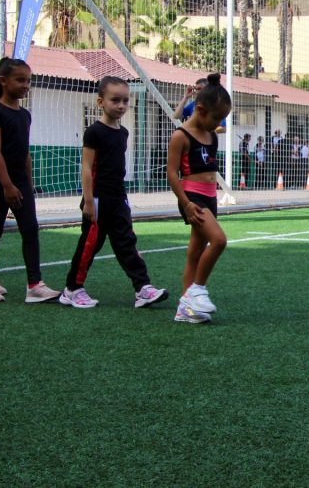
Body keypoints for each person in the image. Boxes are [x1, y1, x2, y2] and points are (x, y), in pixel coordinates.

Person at [62, 77, 168, 309]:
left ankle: (142, 288)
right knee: (90, 244)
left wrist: (123, 199)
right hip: (98, 200)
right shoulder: (94, 132)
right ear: (101, 102)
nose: (121, 105)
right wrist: (89, 201)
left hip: (119, 198)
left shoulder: (123, 132)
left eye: (125, 100)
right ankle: (72, 289)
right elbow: (87, 168)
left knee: (126, 242)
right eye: (115, 100)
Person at [0, 57, 61, 304]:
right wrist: (7, 185)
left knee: (30, 229)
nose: (26, 85)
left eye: (28, 80)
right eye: (20, 80)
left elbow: (24, 151)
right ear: (3, 81)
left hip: (20, 181)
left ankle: (34, 285)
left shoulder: (24, 114)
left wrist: (27, 183)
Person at [166, 73, 232, 324]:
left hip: (210, 197)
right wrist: (186, 203)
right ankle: (197, 290)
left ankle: (185, 308)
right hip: (192, 198)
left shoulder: (212, 135)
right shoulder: (181, 136)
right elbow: (172, 173)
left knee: (195, 251)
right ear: (200, 109)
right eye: (216, 117)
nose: (219, 123)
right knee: (219, 241)